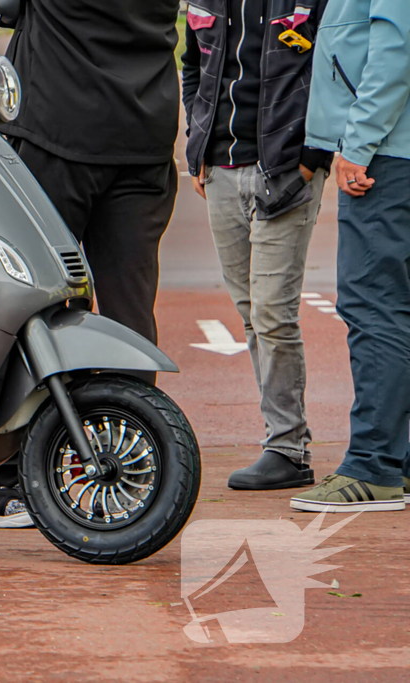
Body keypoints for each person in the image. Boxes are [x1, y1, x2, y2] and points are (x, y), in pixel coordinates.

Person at [0, 0, 180, 528]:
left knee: (34, 303)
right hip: (145, 134)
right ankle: (134, 467)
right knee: (130, 307)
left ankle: (20, 479)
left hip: (58, 130)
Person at [181, 0, 332, 491]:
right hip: (221, 171)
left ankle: (288, 448)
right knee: (251, 312)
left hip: (287, 170)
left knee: (272, 312)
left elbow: (334, 65)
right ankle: (286, 436)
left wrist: (312, 160)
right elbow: (193, 66)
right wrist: (196, 142)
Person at [291, 0, 410, 512]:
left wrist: (358, 141)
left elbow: (394, 49)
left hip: (386, 153)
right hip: (394, 148)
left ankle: (373, 464)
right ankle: (397, 461)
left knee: (374, 305)